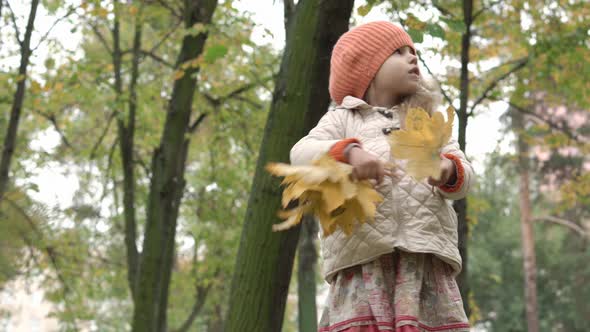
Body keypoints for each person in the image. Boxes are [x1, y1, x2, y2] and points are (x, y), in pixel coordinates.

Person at [290, 21, 474, 332]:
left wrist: (446, 169)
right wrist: (348, 152)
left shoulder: (426, 120)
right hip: (363, 262)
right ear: (366, 69)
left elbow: (465, 176)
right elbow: (300, 154)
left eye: (413, 51)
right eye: (399, 53)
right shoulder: (343, 118)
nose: (412, 57)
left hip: (423, 261)